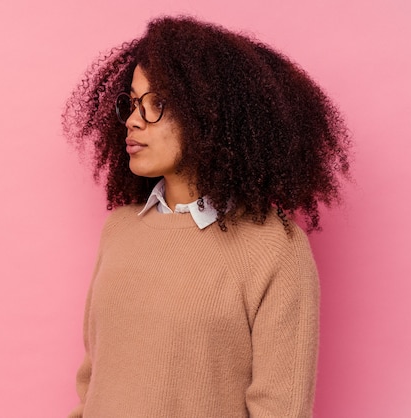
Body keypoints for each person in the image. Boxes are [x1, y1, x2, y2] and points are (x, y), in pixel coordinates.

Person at [62, 15, 350, 418]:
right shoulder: (120, 230)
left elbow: (280, 409)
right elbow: (92, 383)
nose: (132, 120)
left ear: (209, 116)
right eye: (131, 102)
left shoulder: (274, 247)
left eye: (157, 104)